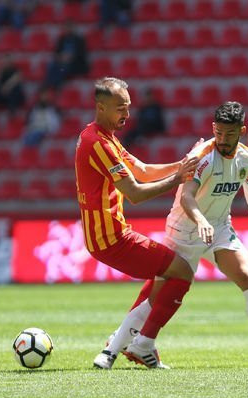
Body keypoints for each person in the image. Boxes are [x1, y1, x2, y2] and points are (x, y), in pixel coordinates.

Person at [94, 101, 248, 370]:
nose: (223, 139)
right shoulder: (202, 157)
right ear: (213, 128)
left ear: (242, 131)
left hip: (219, 228)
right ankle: (113, 349)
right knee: (157, 295)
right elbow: (187, 197)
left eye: (229, 134)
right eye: (219, 133)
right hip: (185, 230)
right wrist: (200, 220)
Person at [76, 77, 199, 369]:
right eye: (120, 108)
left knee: (163, 277)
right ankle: (141, 344)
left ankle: (116, 347)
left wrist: (181, 165)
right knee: (182, 272)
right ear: (101, 107)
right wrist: (177, 179)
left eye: (128, 107)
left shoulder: (102, 137)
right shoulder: (98, 143)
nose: (127, 114)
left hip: (109, 236)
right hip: (111, 239)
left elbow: (142, 170)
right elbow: (134, 193)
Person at [43, 22, 89, 89]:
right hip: (61, 62)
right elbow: (56, 52)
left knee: (62, 69)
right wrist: (60, 57)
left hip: (75, 64)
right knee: (52, 66)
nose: (68, 29)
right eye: (67, 27)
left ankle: (54, 87)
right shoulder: (62, 39)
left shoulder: (79, 40)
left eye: (69, 27)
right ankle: (49, 84)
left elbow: (82, 54)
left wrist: (71, 57)